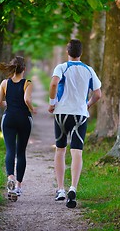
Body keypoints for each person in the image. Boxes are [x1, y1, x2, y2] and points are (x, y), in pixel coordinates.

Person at [48, 39, 101, 208]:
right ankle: (73, 188)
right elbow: (98, 94)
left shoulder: (62, 67)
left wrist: (51, 102)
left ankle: (61, 189)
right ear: (81, 53)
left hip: (62, 113)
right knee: (77, 151)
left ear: (67, 52)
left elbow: (54, 83)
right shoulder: (89, 70)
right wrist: (88, 104)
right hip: (80, 114)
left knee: (60, 150)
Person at [0, 56, 36, 201]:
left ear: (12, 69)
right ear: (24, 69)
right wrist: (32, 109)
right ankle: (18, 187)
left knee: (10, 150)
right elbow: (26, 100)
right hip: (24, 119)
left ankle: (10, 178)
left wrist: (9, 103)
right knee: (21, 152)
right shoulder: (28, 83)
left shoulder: (5, 83)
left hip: (9, 119)